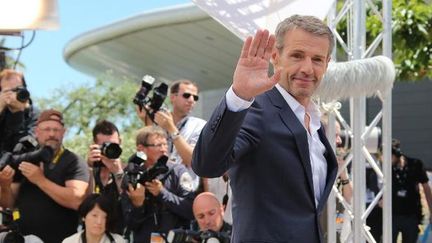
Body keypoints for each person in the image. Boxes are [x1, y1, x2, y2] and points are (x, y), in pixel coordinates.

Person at [192, 15, 338, 243]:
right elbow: (207, 163)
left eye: (317, 59)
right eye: (297, 56)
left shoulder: (318, 124)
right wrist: (239, 96)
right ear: (275, 57)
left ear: (327, 64)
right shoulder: (257, 108)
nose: (307, 68)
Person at [0, 109, 90, 243]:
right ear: (36, 132)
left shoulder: (74, 161)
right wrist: (5, 185)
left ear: (63, 132)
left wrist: (40, 180)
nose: (52, 134)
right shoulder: (25, 159)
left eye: (56, 130)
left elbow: (77, 200)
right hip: (23, 239)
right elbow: (8, 203)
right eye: (47, 129)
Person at [121, 126, 195, 243]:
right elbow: (128, 224)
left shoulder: (177, 171)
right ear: (141, 149)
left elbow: (191, 210)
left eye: (165, 144)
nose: (163, 149)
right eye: (158, 145)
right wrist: (138, 204)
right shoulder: (132, 176)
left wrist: (162, 193)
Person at [137, 79, 206, 190]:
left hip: (185, 191)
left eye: (195, 97)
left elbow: (193, 161)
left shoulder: (200, 125)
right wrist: (146, 120)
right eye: (187, 95)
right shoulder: (158, 121)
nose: (191, 100)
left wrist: (171, 128)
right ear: (172, 97)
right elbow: (149, 154)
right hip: (157, 188)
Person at [391, 138, 432, 243]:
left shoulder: (415, 164)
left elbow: (426, 188)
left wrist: (431, 210)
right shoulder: (386, 168)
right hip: (392, 215)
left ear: (397, 153)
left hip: (411, 214)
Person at [0, 69, 39, 154]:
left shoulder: (35, 115)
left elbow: (29, 144)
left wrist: (18, 112)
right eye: (7, 91)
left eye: (17, 89)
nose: (14, 94)